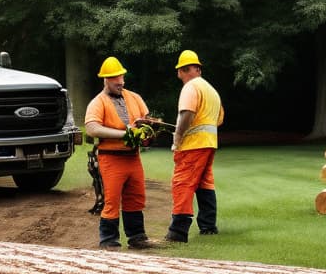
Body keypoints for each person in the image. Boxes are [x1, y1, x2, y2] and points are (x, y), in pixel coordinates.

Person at [84, 56, 157, 249]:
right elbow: (91, 128)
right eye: (115, 79)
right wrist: (124, 134)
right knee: (112, 199)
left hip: (133, 158)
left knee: (136, 197)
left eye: (122, 77)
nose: (120, 82)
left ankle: (137, 237)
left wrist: (149, 129)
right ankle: (109, 240)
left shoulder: (135, 97)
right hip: (111, 158)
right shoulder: (98, 102)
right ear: (106, 79)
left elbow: (146, 119)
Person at [168, 50, 224, 241]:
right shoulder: (211, 90)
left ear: (184, 70)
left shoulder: (190, 87)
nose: (178, 76)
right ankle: (208, 225)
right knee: (204, 182)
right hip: (209, 143)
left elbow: (187, 114)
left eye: (180, 71)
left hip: (192, 145)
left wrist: (177, 137)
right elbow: (219, 119)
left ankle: (178, 231)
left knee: (182, 182)